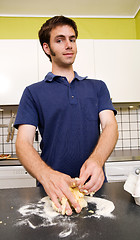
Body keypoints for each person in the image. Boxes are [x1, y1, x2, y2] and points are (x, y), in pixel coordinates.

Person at [14, 15, 118, 216]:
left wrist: (96, 161)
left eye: (72, 39)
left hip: (95, 188)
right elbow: (23, 142)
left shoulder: (98, 87)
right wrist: (46, 175)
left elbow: (110, 126)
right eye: (59, 40)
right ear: (47, 48)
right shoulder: (32, 92)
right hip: (51, 191)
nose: (68, 44)